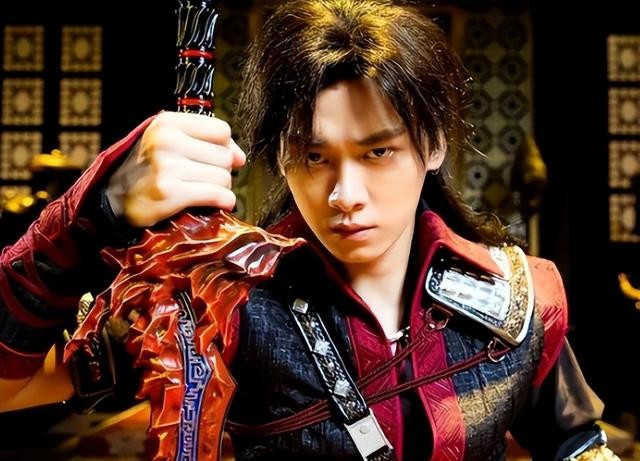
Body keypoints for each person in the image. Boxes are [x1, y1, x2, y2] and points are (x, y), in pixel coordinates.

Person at [0, 0, 620, 459]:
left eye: (378, 152)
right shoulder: (221, 304)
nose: (345, 195)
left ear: (432, 145)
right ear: (280, 157)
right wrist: (91, 210)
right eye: (313, 156)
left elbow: (575, 442)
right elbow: (12, 386)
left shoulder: (516, 299)